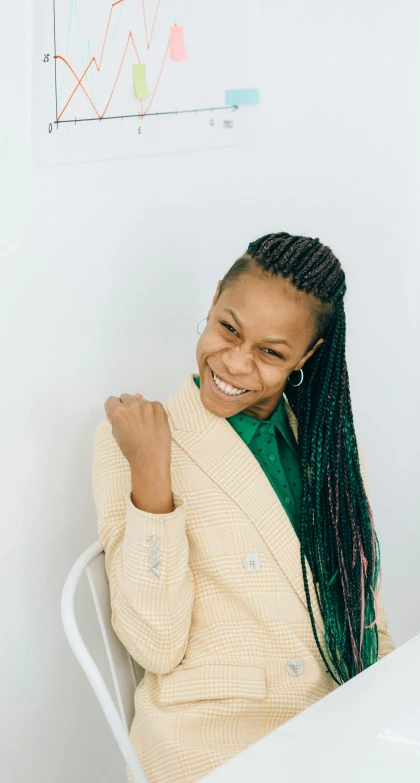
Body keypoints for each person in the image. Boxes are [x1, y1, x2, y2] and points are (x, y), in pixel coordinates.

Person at [93, 232, 395, 783]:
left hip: (333, 718)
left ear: (308, 355)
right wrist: (152, 476)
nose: (234, 363)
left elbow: (361, 610)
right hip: (215, 739)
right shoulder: (135, 442)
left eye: (271, 352)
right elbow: (155, 646)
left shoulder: (326, 443)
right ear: (212, 302)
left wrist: (390, 698)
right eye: (229, 328)